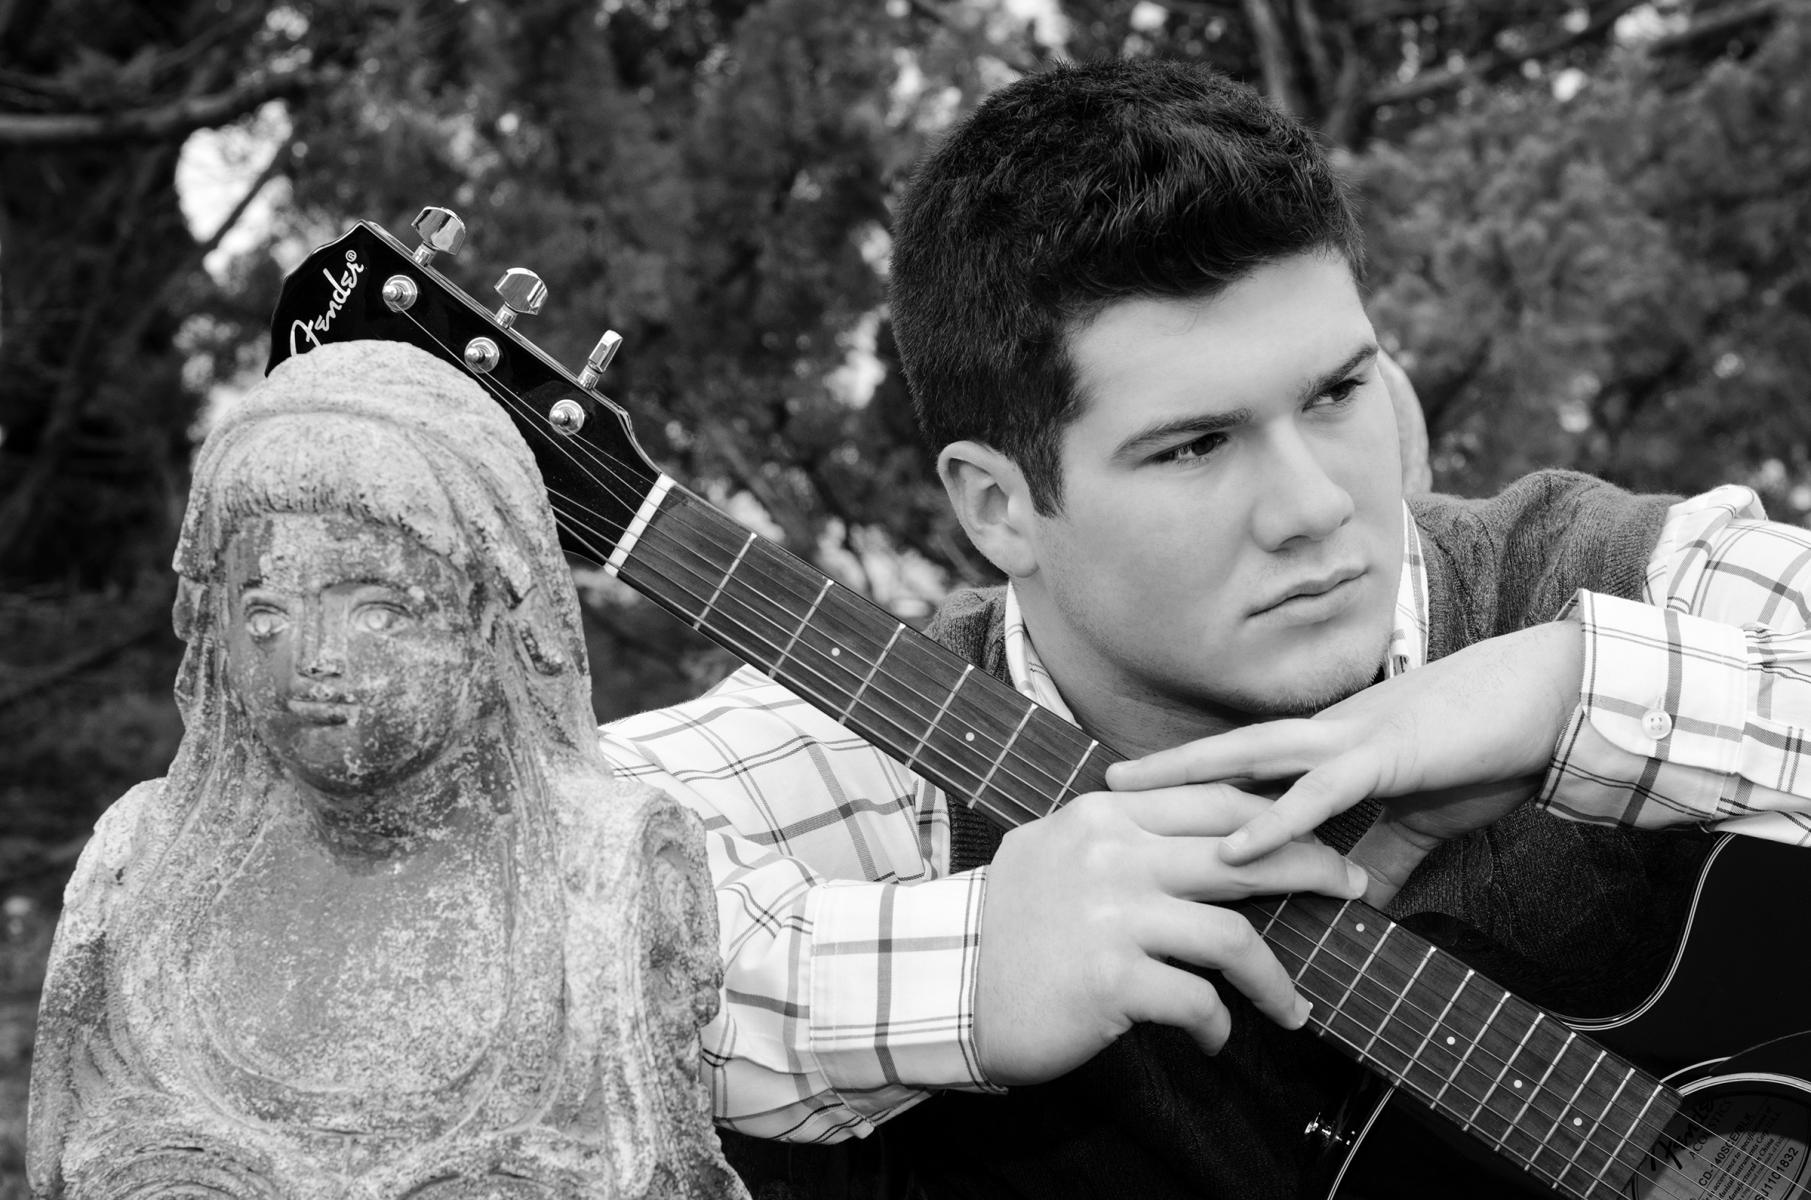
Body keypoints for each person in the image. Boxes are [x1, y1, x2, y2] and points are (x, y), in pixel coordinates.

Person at [599, 59, 1811, 1198]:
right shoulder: (869, 761)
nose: (1312, 507)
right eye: (1193, 446)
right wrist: (959, 972)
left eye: (1334, 394)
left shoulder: (1607, 577)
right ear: (997, 507)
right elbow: (532, 912)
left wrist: (1572, 692)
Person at [29, 341, 740, 1198]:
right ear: (214, 629)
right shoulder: (138, 875)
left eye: (377, 611)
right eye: (266, 614)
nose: (312, 658)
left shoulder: (606, 875)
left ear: (488, 620)